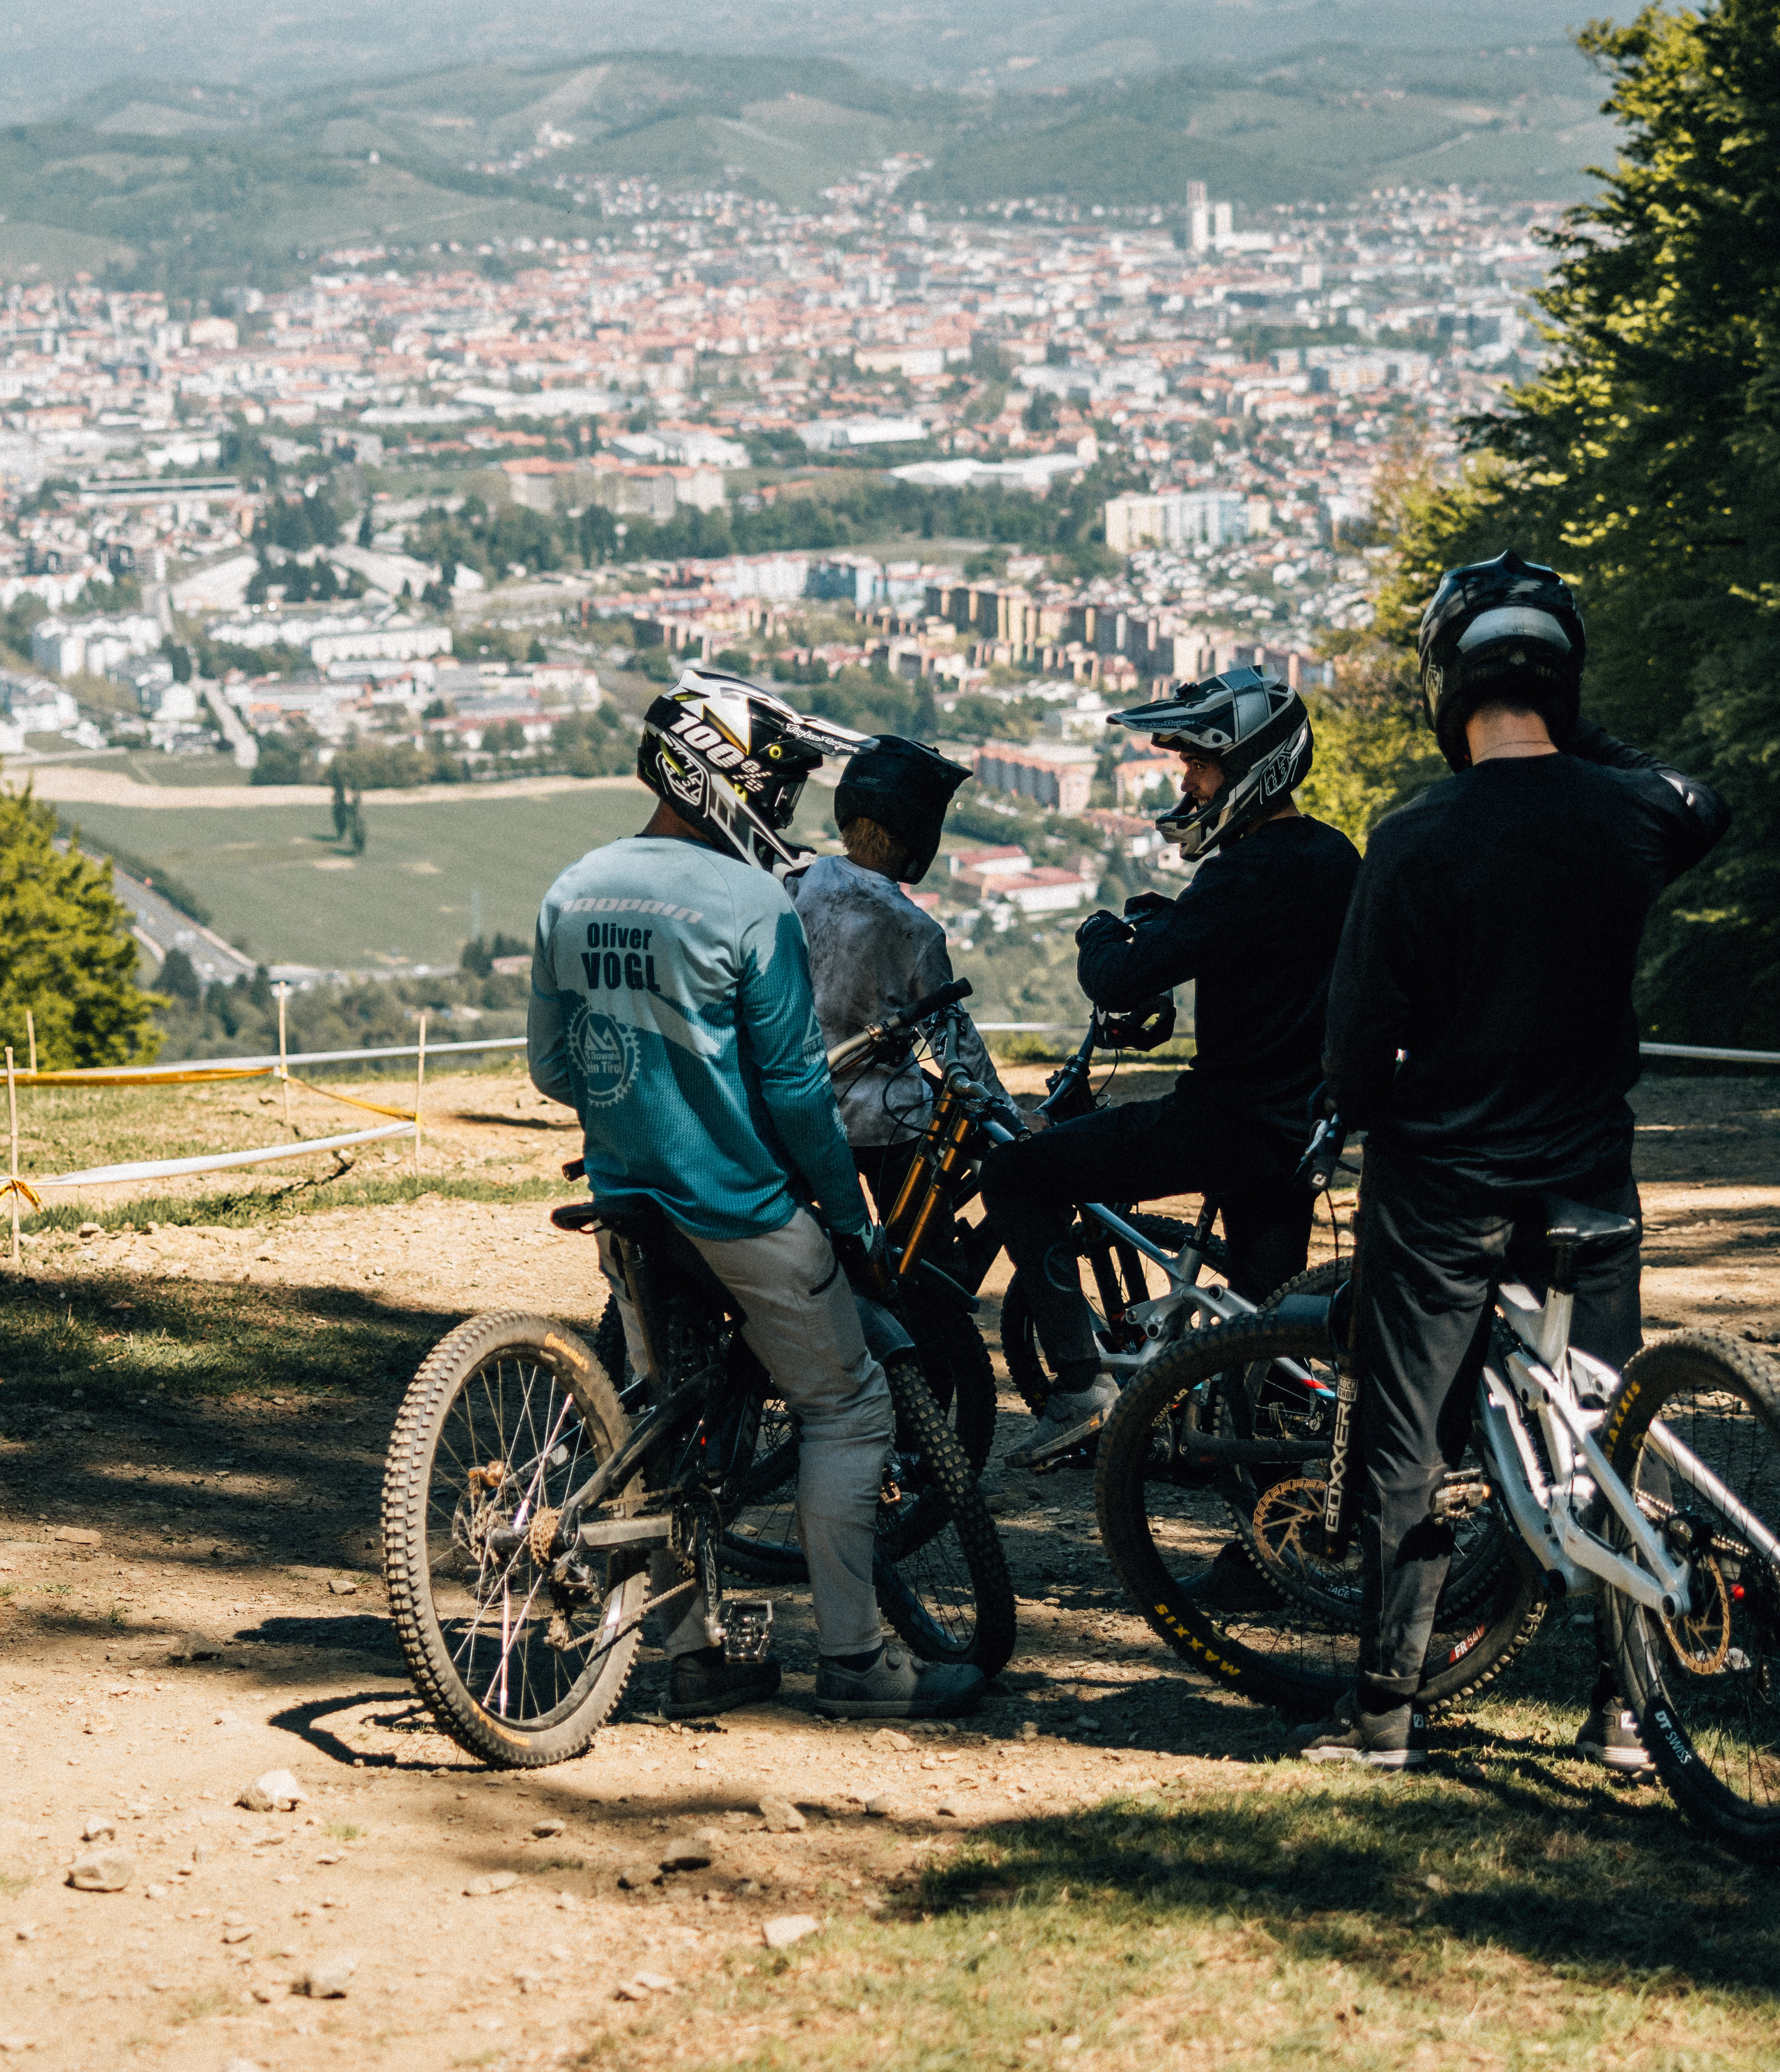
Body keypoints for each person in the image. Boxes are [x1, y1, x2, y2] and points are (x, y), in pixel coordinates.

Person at [1296, 552, 1729, 1772]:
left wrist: (1350, 1111)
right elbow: (1699, 800)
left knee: (1408, 1443)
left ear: (1445, 681)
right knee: (1609, 1424)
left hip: (1441, 1187)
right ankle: (1626, 1707)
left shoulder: (1413, 835)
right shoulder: (1628, 814)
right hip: (1586, 1173)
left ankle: (1384, 1712)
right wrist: (1572, 729)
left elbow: (1355, 1040)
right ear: (1562, 681)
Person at [528, 667, 990, 1724]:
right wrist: (848, 1220)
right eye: (775, 783)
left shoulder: (573, 886)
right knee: (848, 1406)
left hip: (627, 1199)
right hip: (738, 1205)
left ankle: (697, 1654)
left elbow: (555, 1069)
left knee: (665, 1421)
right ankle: (856, 1661)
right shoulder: (751, 902)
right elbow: (795, 1092)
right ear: (729, 780)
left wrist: (645, 1095)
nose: (782, 805)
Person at [975, 667, 1361, 1465]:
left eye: (1200, 765)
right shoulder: (1333, 856)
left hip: (1223, 1124)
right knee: (1262, 1341)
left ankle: (1080, 1386)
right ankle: (1268, 1501)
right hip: (1299, 1135)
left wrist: (1099, 933)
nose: (1187, 782)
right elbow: (1254, 949)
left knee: (1013, 1175)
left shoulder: (1242, 871)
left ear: (1255, 767)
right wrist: (1176, 924)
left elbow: (1119, 979)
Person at [790, 736, 1024, 1215]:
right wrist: (1013, 1116)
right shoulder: (915, 931)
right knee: (928, 1250)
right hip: (886, 1123)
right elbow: (955, 1044)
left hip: (802, 1107)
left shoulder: (797, 882)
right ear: (919, 829)